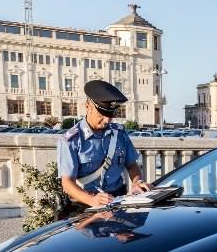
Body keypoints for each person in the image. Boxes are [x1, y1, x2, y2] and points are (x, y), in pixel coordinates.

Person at [57, 80, 151, 211]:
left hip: (117, 201)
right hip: (84, 205)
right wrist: (92, 200)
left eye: (110, 116)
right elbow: (67, 183)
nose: (107, 120)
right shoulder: (71, 140)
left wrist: (137, 183)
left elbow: (132, 165)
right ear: (88, 106)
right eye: (102, 115)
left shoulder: (119, 134)